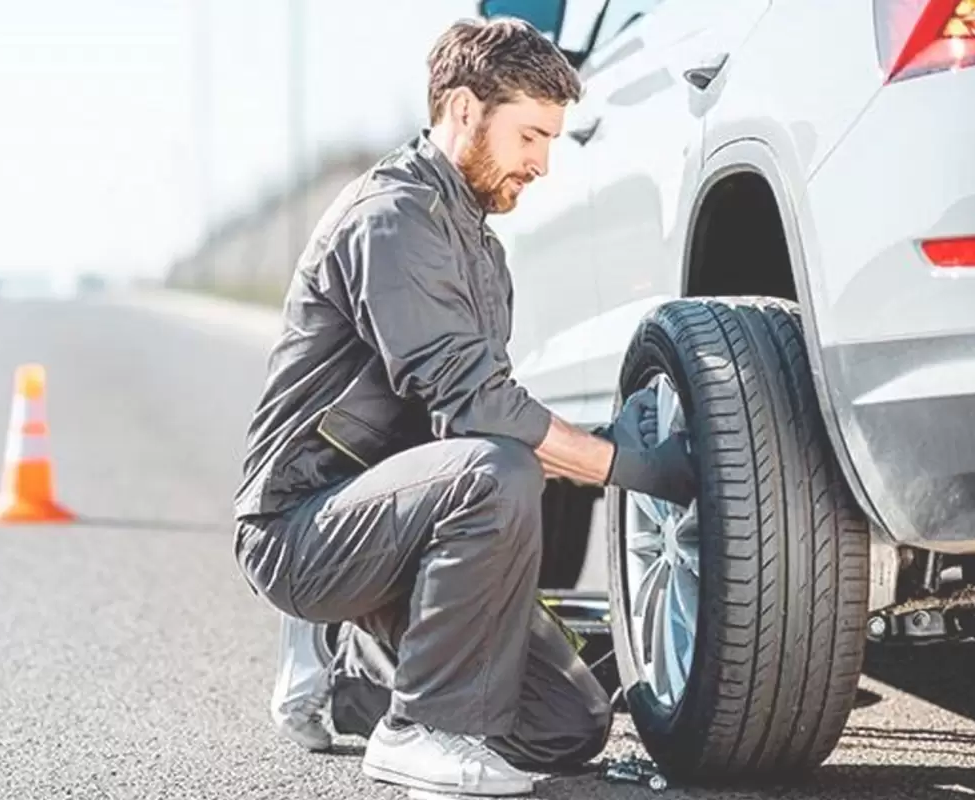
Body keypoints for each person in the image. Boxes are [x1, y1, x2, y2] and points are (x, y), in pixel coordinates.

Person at [233, 16, 697, 798]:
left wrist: (590, 446)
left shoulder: (479, 246)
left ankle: (357, 675)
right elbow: (477, 413)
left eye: (551, 140)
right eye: (530, 137)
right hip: (299, 525)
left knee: (567, 726)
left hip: (393, 522)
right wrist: (626, 466)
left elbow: (468, 419)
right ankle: (421, 731)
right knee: (495, 471)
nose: (544, 163)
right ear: (462, 112)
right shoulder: (393, 220)